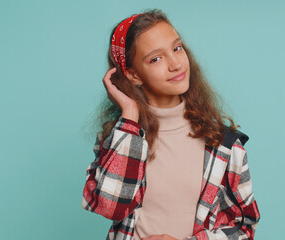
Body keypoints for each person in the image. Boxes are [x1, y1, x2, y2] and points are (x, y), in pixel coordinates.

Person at [81, 9, 260, 240]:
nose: (176, 64)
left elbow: (245, 228)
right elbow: (110, 207)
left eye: (177, 48)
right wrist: (130, 116)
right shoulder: (120, 138)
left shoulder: (223, 145)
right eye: (156, 58)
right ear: (133, 75)